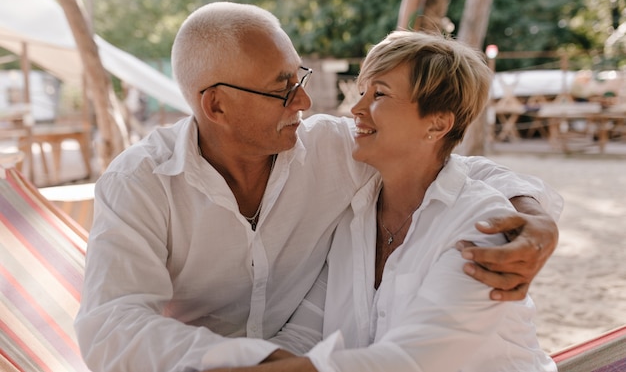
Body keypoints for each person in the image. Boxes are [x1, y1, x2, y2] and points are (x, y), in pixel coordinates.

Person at [74, 2, 561, 372]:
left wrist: (532, 213)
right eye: (282, 87)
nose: (305, 100)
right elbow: (110, 326)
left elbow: (442, 164)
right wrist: (260, 362)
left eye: (299, 76)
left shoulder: (329, 151)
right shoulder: (139, 184)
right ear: (216, 106)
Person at [206, 31, 558, 372]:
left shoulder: (484, 226)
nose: (356, 109)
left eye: (379, 94)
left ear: (437, 124)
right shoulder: (353, 217)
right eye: (361, 91)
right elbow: (307, 332)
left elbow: (413, 362)